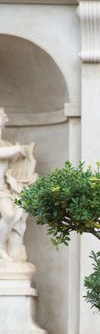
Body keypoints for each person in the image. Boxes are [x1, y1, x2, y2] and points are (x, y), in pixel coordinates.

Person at [0, 107, 37, 265]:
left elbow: (14, 169)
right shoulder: (9, 148)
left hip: (3, 189)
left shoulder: (6, 144)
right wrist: (19, 149)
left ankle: (1, 246)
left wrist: (25, 179)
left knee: (9, 214)